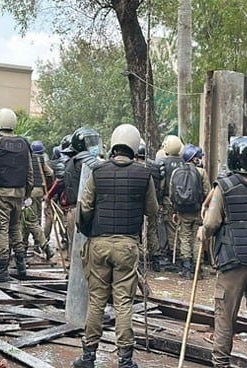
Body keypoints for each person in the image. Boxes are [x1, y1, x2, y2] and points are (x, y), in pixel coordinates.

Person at [73, 124, 158, 368]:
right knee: (123, 303)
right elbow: (152, 211)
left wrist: (90, 233)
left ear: (113, 144)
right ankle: (125, 360)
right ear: (134, 146)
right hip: (127, 246)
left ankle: (88, 357)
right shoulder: (144, 174)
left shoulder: (97, 172)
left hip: (98, 244)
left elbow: (85, 208)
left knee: (97, 300)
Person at [199, 136, 247, 368]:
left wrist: (203, 232)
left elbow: (211, 224)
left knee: (225, 317)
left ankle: (220, 363)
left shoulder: (224, 187)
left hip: (231, 262)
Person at [0, 108, 33, 282]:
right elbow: (30, 173)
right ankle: (21, 265)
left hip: (0, 195)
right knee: (15, 228)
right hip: (19, 194)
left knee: (0, 228)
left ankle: (2, 269)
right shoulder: (24, 143)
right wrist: (26, 193)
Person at [170, 144, 210, 279]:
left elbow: (172, 193)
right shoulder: (201, 172)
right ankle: (197, 269)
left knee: (185, 238)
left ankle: (186, 269)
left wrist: (175, 211)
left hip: (182, 211)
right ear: (194, 159)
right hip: (198, 211)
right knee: (197, 238)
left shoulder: (176, 172)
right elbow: (208, 192)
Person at [22, 140, 55, 260]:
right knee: (35, 218)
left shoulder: (26, 159)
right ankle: (36, 244)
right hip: (39, 191)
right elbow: (50, 173)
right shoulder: (40, 159)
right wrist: (48, 186)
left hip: (28, 192)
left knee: (28, 220)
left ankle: (37, 245)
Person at [155, 135, 184, 268]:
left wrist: (159, 201)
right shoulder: (185, 162)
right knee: (182, 228)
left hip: (168, 199)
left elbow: (162, 184)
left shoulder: (163, 162)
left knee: (171, 227)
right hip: (183, 201)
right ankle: (181, 253)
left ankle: (174, 255)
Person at [134, 142, 162, 272]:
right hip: (152, 203)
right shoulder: (154, 167)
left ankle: (140, 260)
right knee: (152, 231)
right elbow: (161, 186)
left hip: (137, 205)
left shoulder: (134, 168)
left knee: (137, 233)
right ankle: (155, 259)